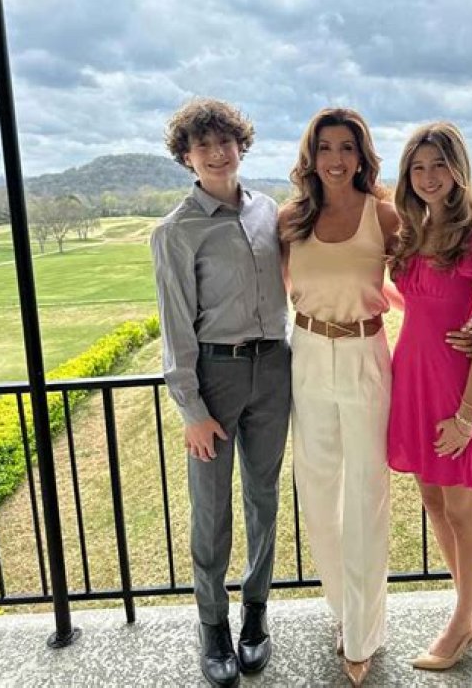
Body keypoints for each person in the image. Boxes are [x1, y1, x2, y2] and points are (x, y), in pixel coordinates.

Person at [150, 98, 290, 688]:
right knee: (210, 510)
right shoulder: (176, 230)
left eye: (225, 141)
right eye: (202, 145)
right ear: (186, 156)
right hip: (215, 374)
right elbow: (175, 327)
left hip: (274, 368)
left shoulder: (269, 212)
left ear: (241, 145)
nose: (216, 152)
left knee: (264, 497)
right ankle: (212, 625)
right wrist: (191, 409)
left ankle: (256, 612)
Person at [387, 121, 472, 671]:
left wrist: (466, 416)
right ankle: (471, 602)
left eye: (439, 164)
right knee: (434, 503)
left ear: (458, 167)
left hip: (456, 390)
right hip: (412, 382)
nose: (429, 176)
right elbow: (417, 301)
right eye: (418, 167)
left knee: (464, 513)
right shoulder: (412, 232)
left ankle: (461, 625)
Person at [278, 107, 398, 687]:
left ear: (361, 155)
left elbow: (431, 272)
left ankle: (363, 633)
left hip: (365, 353)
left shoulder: (385, 215)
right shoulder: (290, 219)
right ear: (311, 155)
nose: (335, 158)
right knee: (319, 493)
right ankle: (342, 611)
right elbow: (268, 290)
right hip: (306, 354)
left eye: (346, 147)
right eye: (325, 147)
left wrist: (469, 322)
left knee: (368, 493)